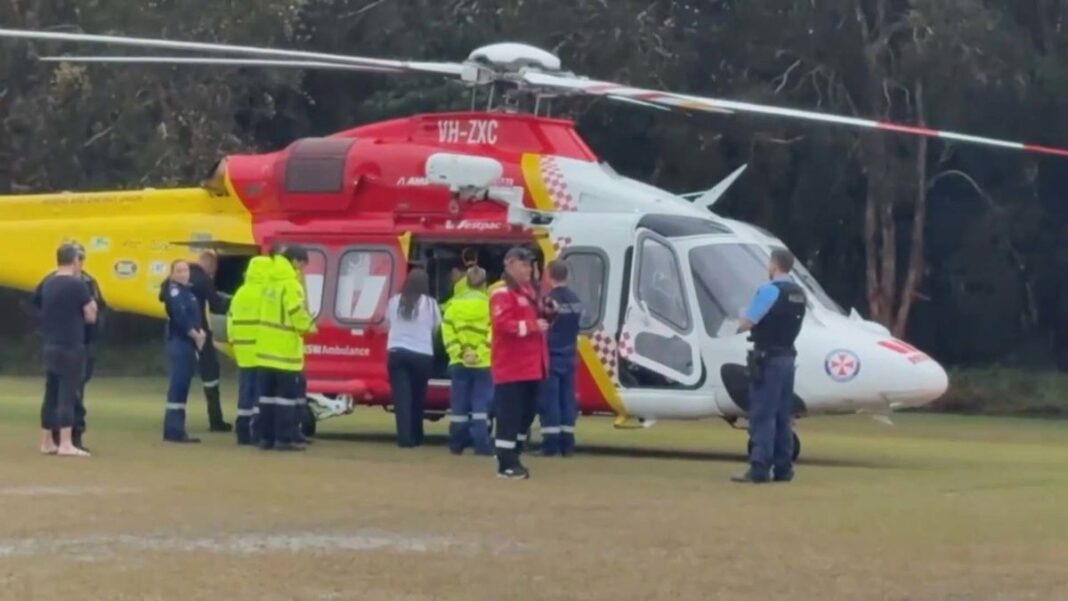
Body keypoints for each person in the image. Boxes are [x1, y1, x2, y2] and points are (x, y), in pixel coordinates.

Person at [732, 248, 807, 484]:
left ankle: (759, 468)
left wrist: (738, 319)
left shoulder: (769, 291)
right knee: (783, 415)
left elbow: (747, 323)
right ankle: (784, 468)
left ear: (774, 265)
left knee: (762, 414)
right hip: (788, 357)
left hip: (768, 358)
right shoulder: (799, 293)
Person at [30, 242, 106, 452]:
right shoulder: (78, 284)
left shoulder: (48, 282)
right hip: (71, 344)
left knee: (51, 393)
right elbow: (90, 314)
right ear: (74, 260)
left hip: (50, 343)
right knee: (68, 393)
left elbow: (36, 308)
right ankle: (65, 442)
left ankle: (46, 442)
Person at [490, 247, 549, 479]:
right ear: (510, 264)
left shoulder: (527, 292)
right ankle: (505, 463)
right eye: (524, 265)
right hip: (511, 366)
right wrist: (533, 326)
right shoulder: (502, 293)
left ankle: (513, 454)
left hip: (531, 365)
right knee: (509, 415)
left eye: (530, 265)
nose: (528, 270)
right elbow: (503, 324)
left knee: (526, 413)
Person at [254, 245, 316, 452]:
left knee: (266, 398)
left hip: (264, 352)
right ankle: (284, 439)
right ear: (297, 261)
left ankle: (266, 438)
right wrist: (309, 326)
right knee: (286, 400)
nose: (302, 271)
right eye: (303, 265)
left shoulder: (268, 282)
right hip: (285, 353)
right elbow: (296, 311)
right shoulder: (291, 284)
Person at [384, 268, 441, 448]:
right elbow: (436, 328)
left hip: (397, 352)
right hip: (422, 354)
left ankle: (404, 438)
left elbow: (387, 322)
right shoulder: (431, 304)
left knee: (402, 398)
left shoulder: (394, 301)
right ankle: (417, 435)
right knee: (418, 397)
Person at [441, 266, 493, 456]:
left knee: (459, 407)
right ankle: (481, 445)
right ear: (484, 284)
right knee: (480, 406)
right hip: (483, 364)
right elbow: (492, 335)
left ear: (466, 282)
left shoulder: (453, 305)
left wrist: (461, 353)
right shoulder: (490, 305)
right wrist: (477, 353)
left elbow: (447, 333)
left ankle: (456, 445)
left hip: (458, 363)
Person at [538, 259, 583, 457]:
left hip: (552, 355)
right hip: (570, 353)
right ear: (567, 275)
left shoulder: (549, 300)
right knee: (567, 400)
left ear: (549, 275)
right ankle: (568, 444)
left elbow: (543, 326)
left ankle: (551, 444)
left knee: (551, 401)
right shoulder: (576, 300)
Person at [159, 260, 207, 444]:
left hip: (188, 343)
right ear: (172, 274)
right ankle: (173, 430)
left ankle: (177, 429)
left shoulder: (187, 291)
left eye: (185, 270)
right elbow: (180, 316)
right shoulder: (175, 291)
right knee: (178, 386)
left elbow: (194, 315)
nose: (183, 273)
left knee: (183, 386)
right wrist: (195, 334)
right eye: (178, 270)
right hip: (180, 342)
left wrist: (200, 331)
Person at [226, 255, 272, 446]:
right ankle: (256, 431)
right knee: (259, 393)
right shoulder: (267, 293)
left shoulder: (240, 292)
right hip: (260, 349)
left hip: (242, 349)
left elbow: (230, 318)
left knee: (245, 390)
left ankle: (242, 430)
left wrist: (233, 340)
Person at [189, 250, 232, 433]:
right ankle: (216, 420)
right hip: (200, 332)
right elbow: (217, 304)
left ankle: (173, 421)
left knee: (180, 380)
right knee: (211, 376)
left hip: (179, 334)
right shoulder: (203, 279)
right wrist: (234, 301)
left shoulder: (178, 278)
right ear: (210, 265)